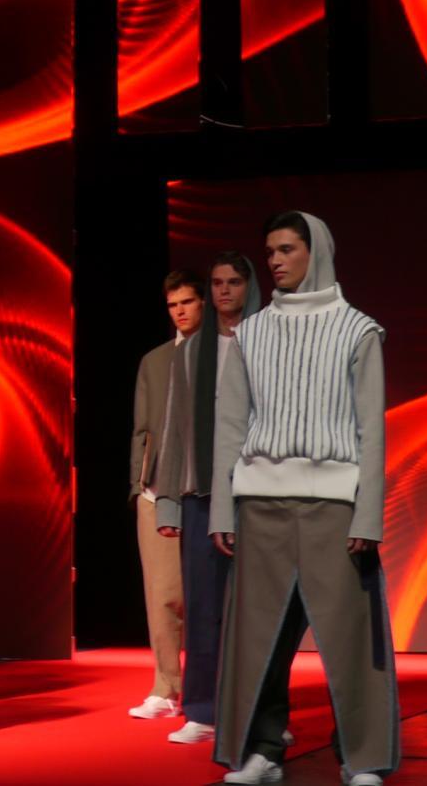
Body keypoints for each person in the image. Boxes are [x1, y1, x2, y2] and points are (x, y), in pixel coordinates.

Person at [211, 213, 398, 786]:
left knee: (350, 639)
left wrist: (368, 514)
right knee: (257, 640)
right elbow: (230, 425)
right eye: (270, 250)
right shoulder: (251, 333)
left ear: (316, 251)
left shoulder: (357, 330)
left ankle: (361, 758)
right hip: (260, 505)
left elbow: (371, 428)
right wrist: (221, 508)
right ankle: (262, 751)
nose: (274, 260)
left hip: (334, 508)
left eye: (287, 249)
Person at [154, 253, 262, 744]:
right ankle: (201, 709)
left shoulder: (267, 342)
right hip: (201, 492)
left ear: (248, 286)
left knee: (258, 608)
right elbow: (174, 429)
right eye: (217, 282)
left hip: (258, 492)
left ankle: (261, 713)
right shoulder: (191, 352)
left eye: (233, 282)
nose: (224, 291)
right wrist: (168, 502)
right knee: (201, 606)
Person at [127, 270, 204, 719]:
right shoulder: (154, 361)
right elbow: (141, 428)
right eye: (173, 304)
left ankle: (213, 691)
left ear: (203, 303)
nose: (179, 311)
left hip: (207, 492)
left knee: (210, 597)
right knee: (162, 594)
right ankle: (165, 686)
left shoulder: (225, 353)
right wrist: (138, 486)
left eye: (187, 302)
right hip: (157, 491)